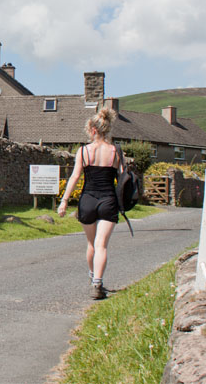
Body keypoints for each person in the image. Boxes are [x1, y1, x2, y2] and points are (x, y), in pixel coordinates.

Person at [57, 107, 122, 300]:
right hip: (108, 199)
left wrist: (64, 201)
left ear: (93, 130)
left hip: (88, 199)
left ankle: (92, 275)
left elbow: (75, 177)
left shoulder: (84, 151)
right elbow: (122, 178)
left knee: (91, 244)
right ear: (106, 129)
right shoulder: (115, 152)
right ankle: (97, 283)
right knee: (102, 245)